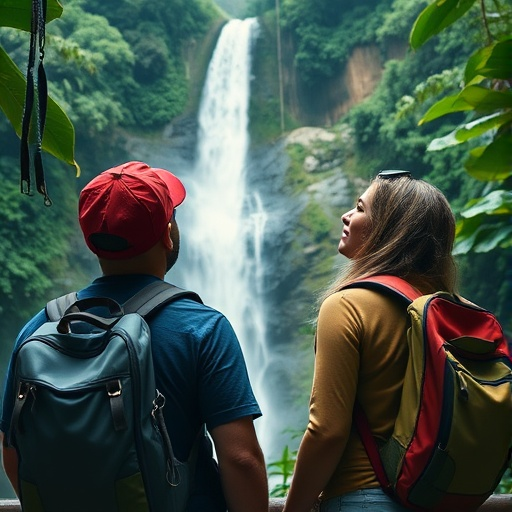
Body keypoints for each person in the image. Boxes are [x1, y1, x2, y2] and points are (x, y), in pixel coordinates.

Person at [0, 161, 268, 512]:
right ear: (167, 232)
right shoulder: (203, 328)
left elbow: (12, 448)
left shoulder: (39, 328)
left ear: (91, 240)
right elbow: (241, 459)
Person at [282, 170, 457, 512]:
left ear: (392, 229)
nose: (347, 216)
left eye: (360, 208)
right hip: (430, 497)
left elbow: (326, 432)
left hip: (362, 497)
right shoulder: (442, 309)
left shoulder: (348, 305)